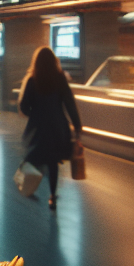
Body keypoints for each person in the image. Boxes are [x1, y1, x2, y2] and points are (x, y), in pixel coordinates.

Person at [18, 47, 82, 210]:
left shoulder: (32, 80)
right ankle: (52, 196)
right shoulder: (60, 79)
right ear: (55, 62)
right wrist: (77, 125)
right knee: (53, 162)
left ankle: (26, 185)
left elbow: (24, 106)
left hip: (38, 128)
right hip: (57, 127)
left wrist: (34, 113)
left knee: (32, 157)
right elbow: (70, 103)